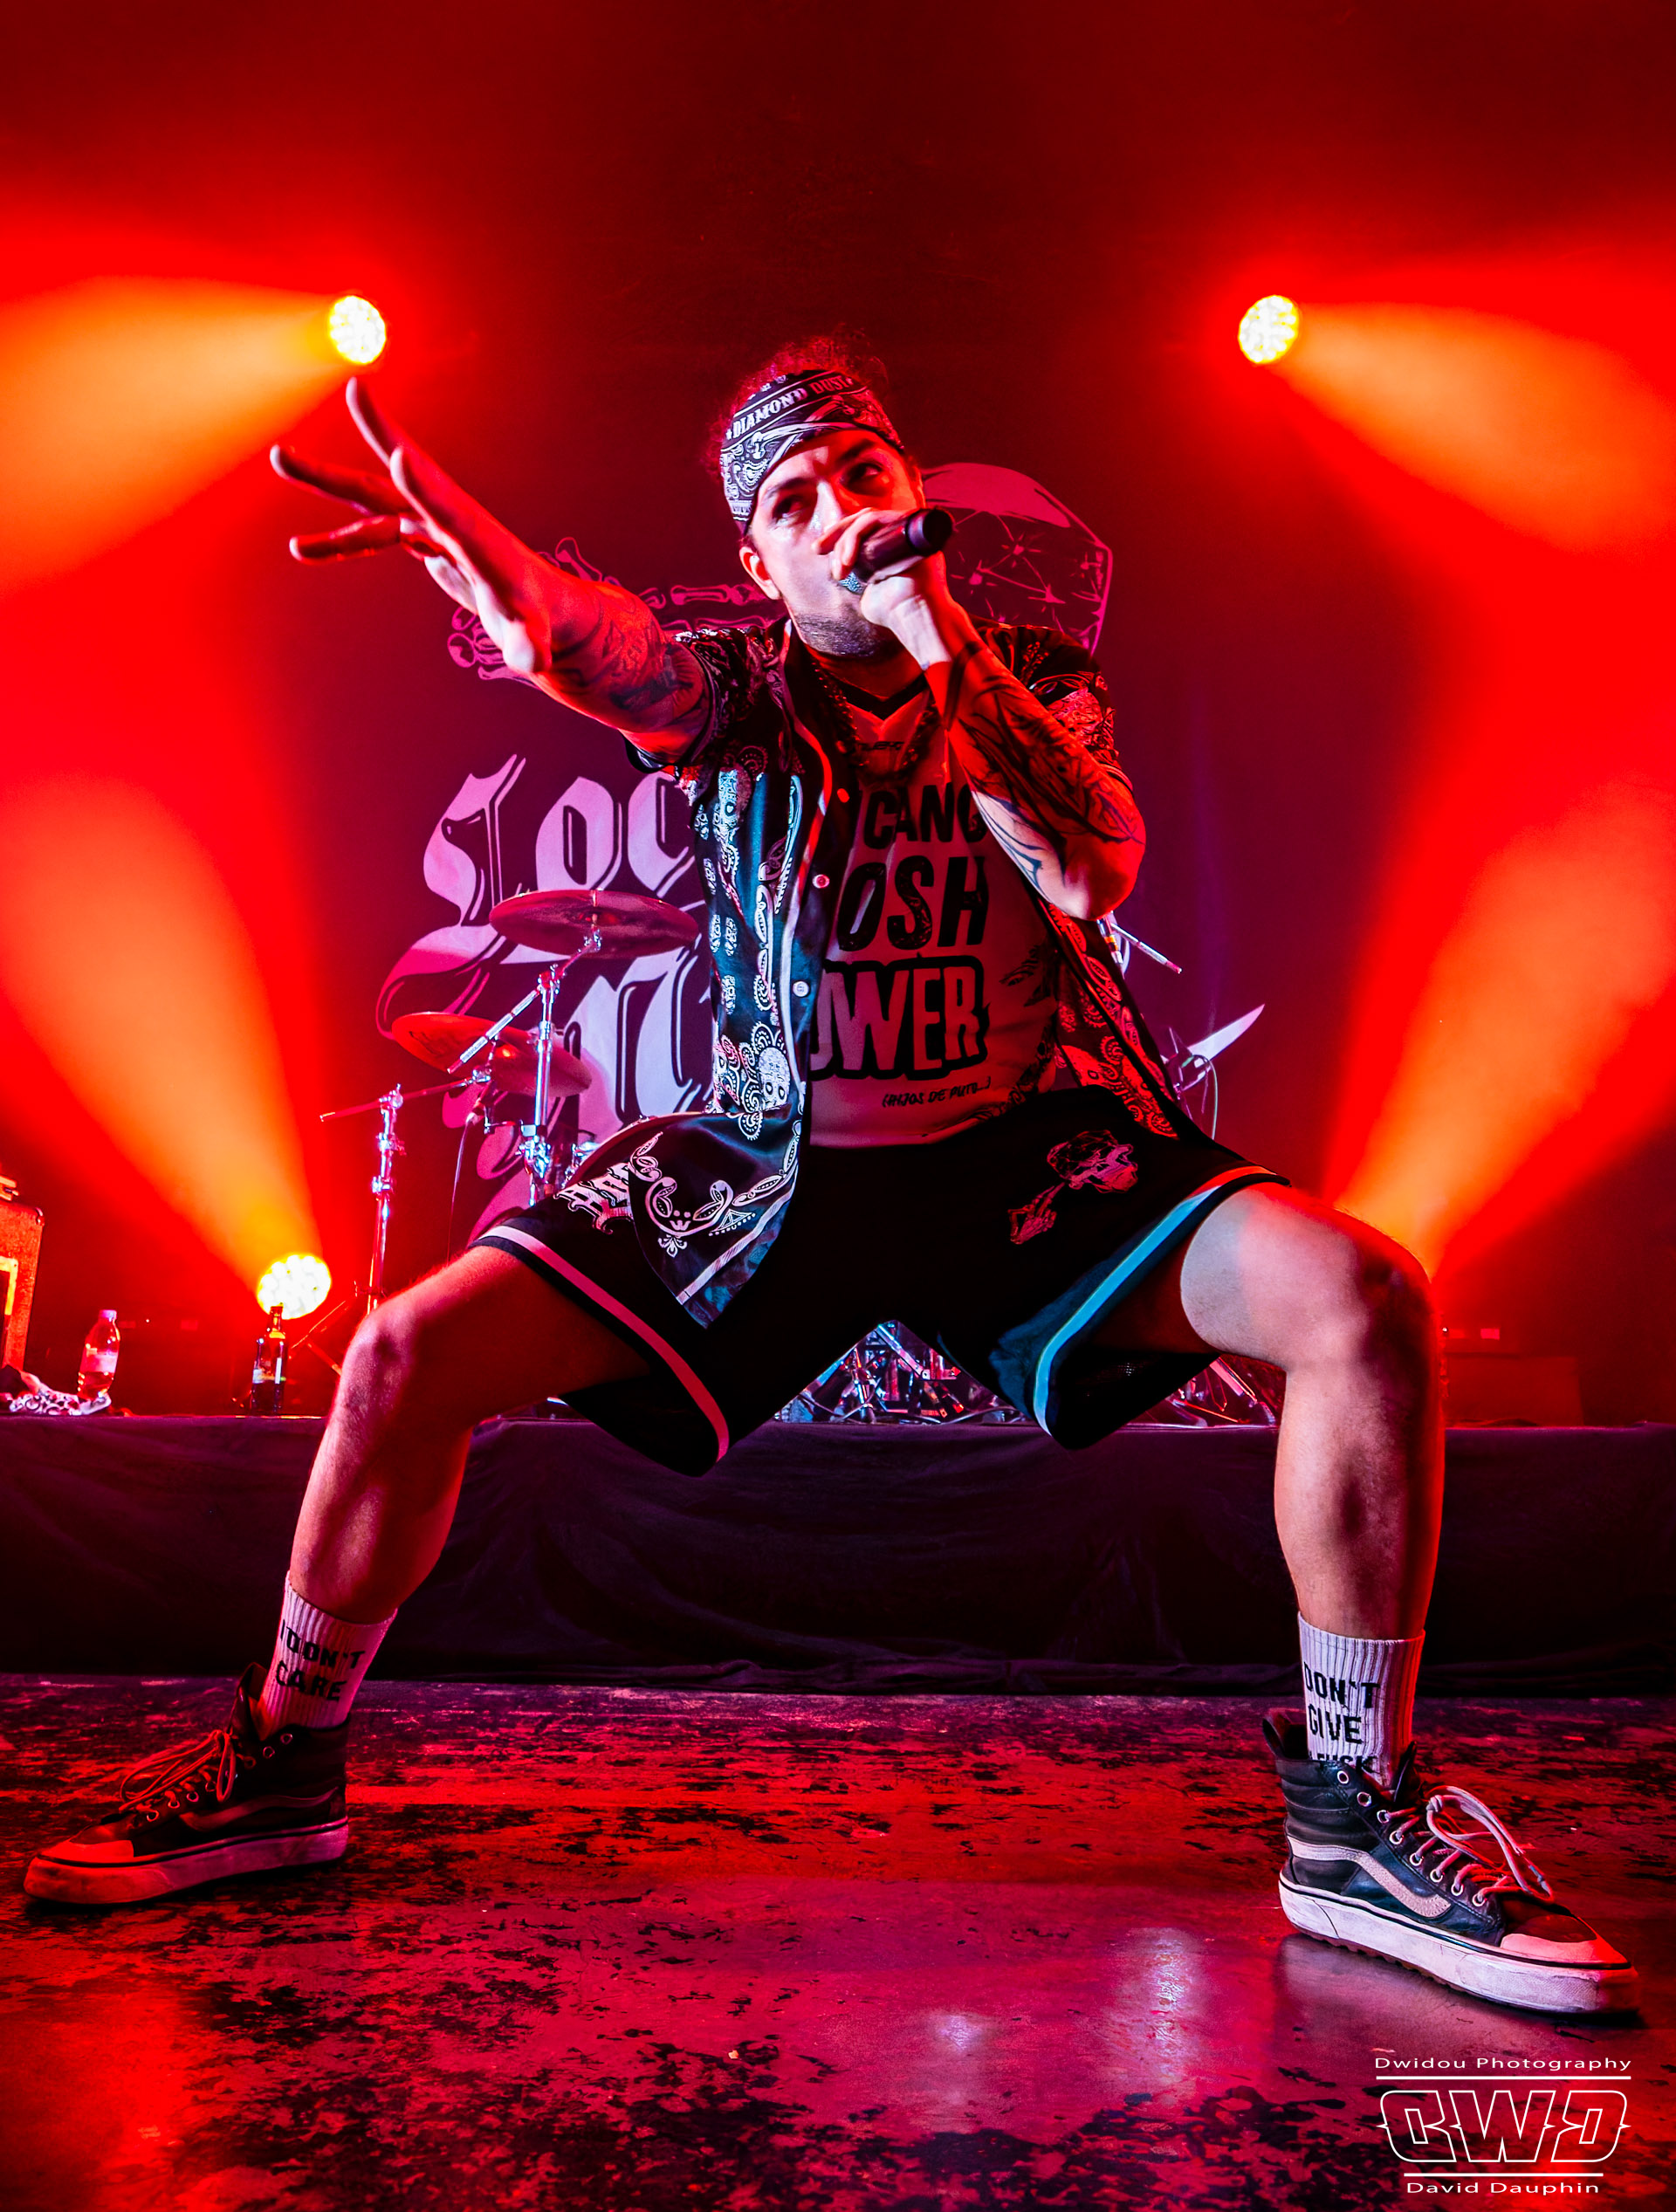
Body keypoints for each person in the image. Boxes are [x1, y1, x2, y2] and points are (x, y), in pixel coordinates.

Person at [25, 344, 1637, 2016]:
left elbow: (1088, 872)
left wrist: (940, 641)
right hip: (767, 1174)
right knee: (397, 1358)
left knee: (1364, 1297)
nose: (839, 512)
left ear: (914, 492)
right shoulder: (736, 690)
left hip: (1021, 1163)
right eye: (794, 502)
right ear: (761, 561)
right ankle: (283, 1759)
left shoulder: (1034, 679)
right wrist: (515, 593)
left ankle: (1355, 1821)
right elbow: (597, 650)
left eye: (863, 474)